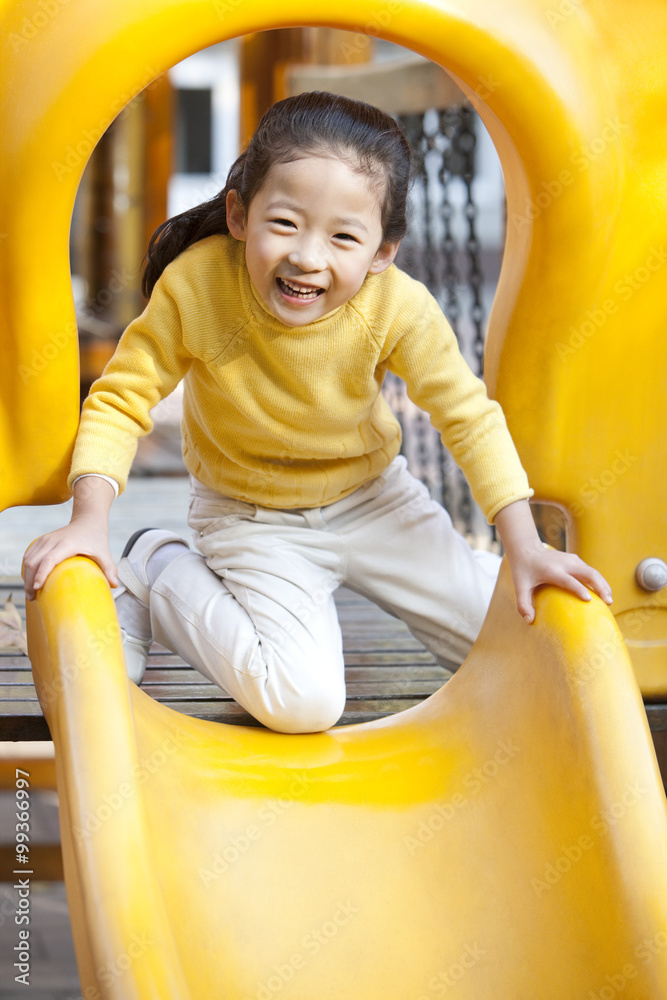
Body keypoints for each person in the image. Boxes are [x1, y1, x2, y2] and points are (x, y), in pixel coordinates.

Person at [22, 91, 612, 734]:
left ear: (382, 252)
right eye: (285, 223)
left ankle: (484, 579)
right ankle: (156, 566)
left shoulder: (396, 307)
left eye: (343, 237)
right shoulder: (198, 287)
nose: (308, 256)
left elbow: (467, 414)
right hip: (253, 515)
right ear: (239, 213)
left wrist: (522, 545)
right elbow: (121, 398)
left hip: (374, 500)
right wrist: (88, 523)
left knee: (520, 644)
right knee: (302, 704)